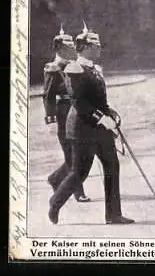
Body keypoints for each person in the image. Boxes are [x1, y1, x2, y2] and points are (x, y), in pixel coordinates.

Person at [48, 22, 134, 225]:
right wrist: (101, 118)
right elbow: (79, 102)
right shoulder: (74, 68)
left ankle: (113, 215)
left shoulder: (95, 68)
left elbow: (99, 100)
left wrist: (110, 114)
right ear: (85, 48)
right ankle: (55, 201)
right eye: (96, 46)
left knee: (112, 166)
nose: (100, 49)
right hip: (82, 129)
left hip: (100, 129)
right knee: (79, 173)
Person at [44, 25, 90, 203]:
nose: (72, 50)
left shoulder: (74, 66)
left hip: (77, 110)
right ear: (60, 49)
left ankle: (56, 178)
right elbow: (48, 96)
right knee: (71, 153)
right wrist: (52, 120)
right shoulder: (53, 68)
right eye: (68, 47)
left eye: (73, 47)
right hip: (63, 112)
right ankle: (77, 191)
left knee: (79, 152)